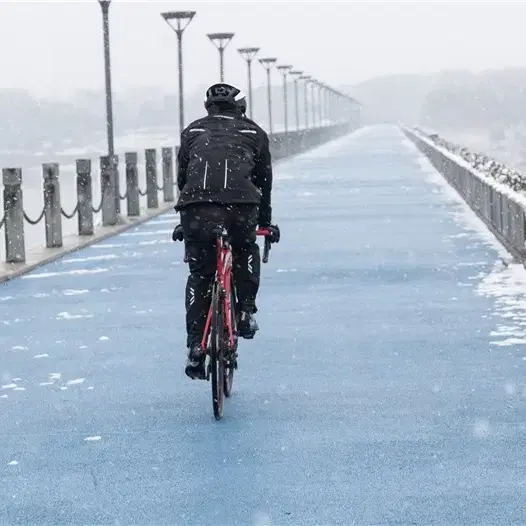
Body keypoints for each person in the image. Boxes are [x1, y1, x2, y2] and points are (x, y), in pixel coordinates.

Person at [172, 82, 280, 380]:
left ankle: (195, 345)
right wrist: (265, 223)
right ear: (240, 108)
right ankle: (245, 311)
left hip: (196, 208)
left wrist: (186, 219)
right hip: (241, 206)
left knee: (200, 275)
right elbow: (264, 183)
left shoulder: (192, 132)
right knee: (245, 248)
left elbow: (183, 178)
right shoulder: (253, 133)